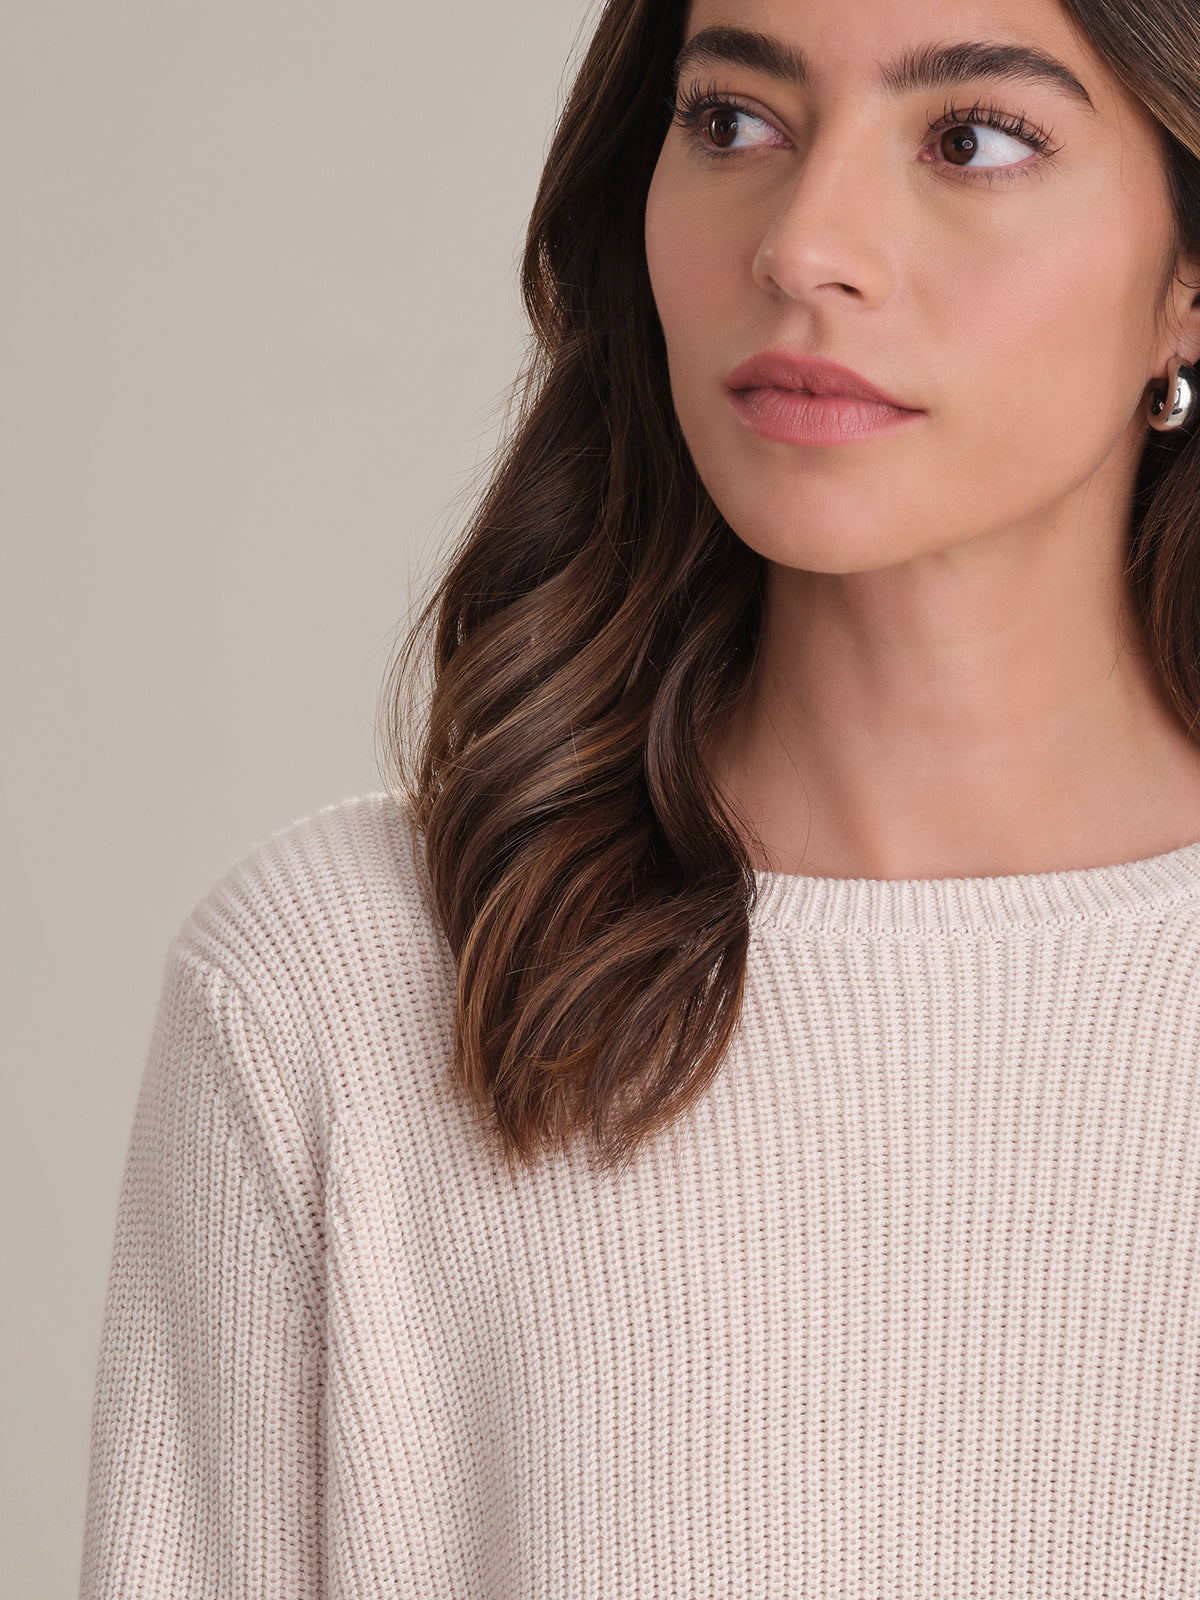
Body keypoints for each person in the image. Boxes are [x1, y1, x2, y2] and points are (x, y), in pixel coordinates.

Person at [79, 0, 1200, 1593]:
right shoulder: (338, 987)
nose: (807, 245)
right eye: (733, 119)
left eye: (973, 139)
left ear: (1188, 279)